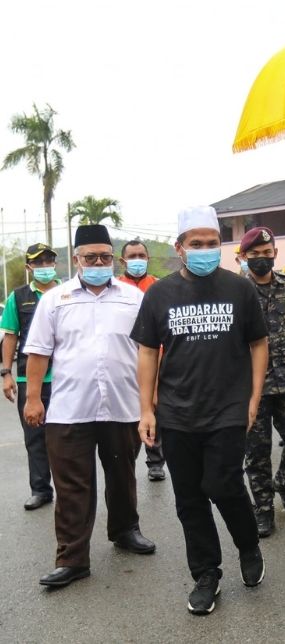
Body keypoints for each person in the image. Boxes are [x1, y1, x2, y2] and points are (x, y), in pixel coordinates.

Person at [132, 207, 267, 615]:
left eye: (213, 243)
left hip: (228, 408)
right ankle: (206, 574)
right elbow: (146, 353)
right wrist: (146, 410)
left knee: (223, 485)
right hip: (175, 412)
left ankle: (248, 544)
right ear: (180, 248)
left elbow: (258, 344)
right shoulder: (159, 294)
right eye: (197, 244)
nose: (206, 250)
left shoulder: (240, 290)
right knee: (189, 498)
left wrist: (254, 399)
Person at [23, 224, 156, 589]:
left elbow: (150, 351)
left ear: (114, 259)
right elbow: (38, 352)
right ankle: (72, 558)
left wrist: (151, 398)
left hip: (122, 404)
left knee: (122, 474)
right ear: (77, 259)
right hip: (69, 409)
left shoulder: (133, 297)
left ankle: (126, 530)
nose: (98, 262)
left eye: (105, 257)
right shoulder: (56, 299)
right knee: (71, 487)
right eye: (90, 257)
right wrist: (33, 398)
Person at [236, 226, 285, 537]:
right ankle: (264, 508)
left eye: (267, 254)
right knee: (256, 451)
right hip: (251, 386)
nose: (261, 260)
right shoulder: (236, 291)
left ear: (276, 254)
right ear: (243, 257)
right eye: (254, 255)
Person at [2, 243, 59, 509]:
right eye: (38, 263)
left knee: (68, 435)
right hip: (30, 378)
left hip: (66, 377)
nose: (44, 267)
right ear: (29, 267)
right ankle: (41, 489)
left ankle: (69, 489)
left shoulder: (67, 292)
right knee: (34, 437)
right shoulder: (18, 296)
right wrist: (6, 373)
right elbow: (11, 335)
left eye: (49, 261)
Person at [116, 238, 166, 481]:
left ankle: (155, 461)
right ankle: (123, 462)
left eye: (141, 256)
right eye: (132, 256)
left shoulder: (158, 287)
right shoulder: (114, 288)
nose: (137, 260)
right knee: (126, 411)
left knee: (153, 407)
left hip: (155, 357)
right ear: (122, 260)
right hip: (125, 359)